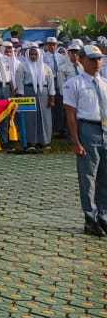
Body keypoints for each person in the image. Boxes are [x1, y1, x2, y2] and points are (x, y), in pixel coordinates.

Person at [62, 45, 107, 236]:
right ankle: (90, 218)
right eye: (92, 59)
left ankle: (103, 215)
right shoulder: (74, 84)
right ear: (81, 60)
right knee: (88, 176)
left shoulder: (105, 83)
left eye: (99, 59)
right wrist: (75, 141)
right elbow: (70, 115)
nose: (97, 62)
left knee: (105, 176)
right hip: (87, 129)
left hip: (105, 128)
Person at [16, 44, 56, 151]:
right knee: (30, 118)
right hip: (28, 93)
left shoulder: (46, 67)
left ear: (39, 55)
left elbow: (51, 83)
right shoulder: (22, 67)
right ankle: (30, 142)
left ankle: (44, 142)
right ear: (28, 55)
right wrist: (21, 97)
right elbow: (19, 82)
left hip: (43, 94)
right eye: (31, 54)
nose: (33, 56)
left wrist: (52, 98)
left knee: (44, 118)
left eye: (35, 54)